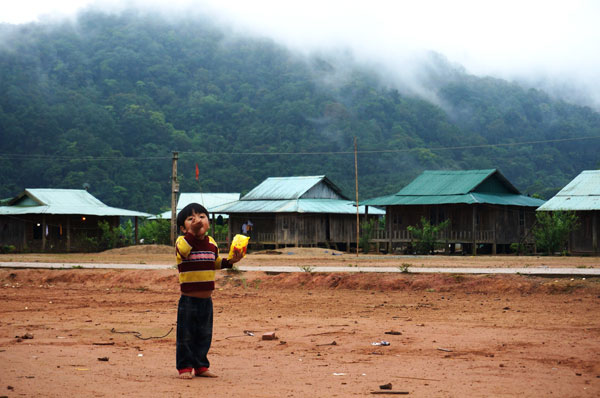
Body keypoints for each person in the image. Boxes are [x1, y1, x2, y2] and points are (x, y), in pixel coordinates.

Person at [175, 203, 243, 379]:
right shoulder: (182, 241)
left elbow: (215, 262)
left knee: (204, 335)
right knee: (186, 335)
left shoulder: (211, 242)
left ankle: (201, 366)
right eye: (191, 219)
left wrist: (230, 261)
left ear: (208, 223)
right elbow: (183, 252)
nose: (197, 220)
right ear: (183, 228)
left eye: (202, 217)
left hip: (207, 300)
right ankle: (185, 367)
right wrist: (192, 234)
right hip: (188, 300)